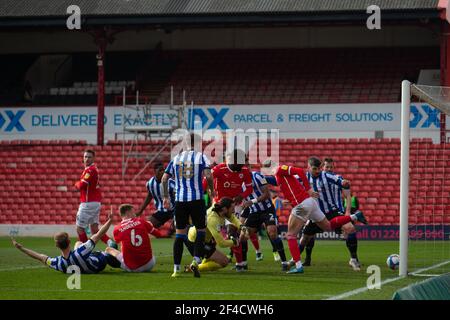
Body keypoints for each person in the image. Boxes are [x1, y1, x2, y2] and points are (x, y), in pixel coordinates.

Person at [261, 159, 367, 274]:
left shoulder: (280, 169)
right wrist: (258, 177)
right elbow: (280, 182)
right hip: (311, 203)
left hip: (303, 205)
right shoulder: (279, 175)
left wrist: (309, 189)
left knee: (291, 235)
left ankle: (298, 265)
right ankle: (354, 217)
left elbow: (299, 171)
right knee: (328, 226)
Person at [162, 133, 215, 278]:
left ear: (184, 143)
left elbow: (164, 178)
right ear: (198, 143)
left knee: (179, 234)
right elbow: (209, 176)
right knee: (201, 231)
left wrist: (166, 196)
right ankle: (196, 261)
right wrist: (212, 190)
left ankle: (176, 269)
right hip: (197, 199)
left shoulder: (176, 159)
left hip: (180, 201)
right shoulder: (201, 157)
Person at [299, 157, 362, 270]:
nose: (329, 169)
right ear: (322, 167)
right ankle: (305, 260)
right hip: (317, 213)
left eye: (331, 167)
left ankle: (354, 259)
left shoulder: (337, 178)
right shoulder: (310, 177)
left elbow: (348, 195)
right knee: (306, 237)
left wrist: (347, 212)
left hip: (335, 211)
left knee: (349, 228)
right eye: (327, 167)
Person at [11, 212, 115, 274]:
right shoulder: (81, 252)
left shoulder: (58, 263)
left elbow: (40, 257)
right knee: (108, 251)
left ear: (56, 245)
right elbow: (98, 235)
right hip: (98, 264)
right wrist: (110, 221)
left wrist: (21, 248)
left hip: (80, 265)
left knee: (78, 243)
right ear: (68, 241)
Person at [240, 158, 289, 271]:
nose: (246, 168)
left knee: (272, 233)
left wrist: (251, 202)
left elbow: (267, 194)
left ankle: (284, 262)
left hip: (267, 210)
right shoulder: (238, 182)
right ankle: (243, 263)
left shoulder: (258, 176)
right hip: (253, 212)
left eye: (248, 166)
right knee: (243, 237)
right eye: (244, 166)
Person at [212, 149, 254, 271]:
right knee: (211, 233)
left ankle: (240, 263)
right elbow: (205, 181)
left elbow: (249, 189)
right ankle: (207, 257)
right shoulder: (219, 169)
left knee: (233, 233)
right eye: (242, 162)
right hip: (219, 206)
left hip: (235, 206)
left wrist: (242, 195)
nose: (244, 165)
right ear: (234, 160)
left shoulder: (245, 171)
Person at [184, 197, 243, 273]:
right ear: (225, 209)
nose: (234, 211)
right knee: (224, 261)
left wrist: (241, 226)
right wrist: (234, 242)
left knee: (212, 250)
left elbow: (232, 218)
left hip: (202, 238)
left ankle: (195, 266)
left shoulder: (219, 209)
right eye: (232, 208)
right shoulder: (213, 220)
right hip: (196, 241)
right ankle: (193, 268)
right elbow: (221, 243)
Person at [74, 149, 114, 247]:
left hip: (88, 203)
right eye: (85, 157)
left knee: (79, 228)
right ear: (82, 158)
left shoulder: (90, 170)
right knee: (95, 229)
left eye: (89, 157)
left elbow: (82, 185)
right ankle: (111, 243)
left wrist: (76, 183)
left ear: (94, 158)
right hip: (94, 202)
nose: (87, 159)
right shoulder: (92, 169)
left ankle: (84, 250)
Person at [106, 204, 162, 272]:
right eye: (133, 212)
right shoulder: (142, 221)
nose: (135, 214)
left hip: (132, 268)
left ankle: (121, 265)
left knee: (109, 249)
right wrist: (149, 226)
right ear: (128, 213)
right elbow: (159, 235)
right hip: (149, 264)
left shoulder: (117, 228)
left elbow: (116, 241)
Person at [137, 162, 176, 228]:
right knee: (147, 226)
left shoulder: (170, 182)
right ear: (155, 171)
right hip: (161, 210)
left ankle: (173, 229)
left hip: (174, 209)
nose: (163, 172)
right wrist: (140, 210)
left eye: (164, 170)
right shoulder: (150, 183)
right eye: (160, 170)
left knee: (178, 225)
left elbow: (177, 197)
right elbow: (149, 196)